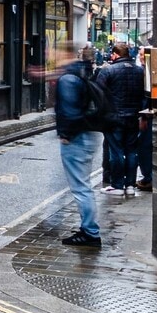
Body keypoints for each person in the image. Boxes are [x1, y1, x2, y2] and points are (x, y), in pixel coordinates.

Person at [55, 41, 104, 248]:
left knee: (81, 188)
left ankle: (90, 232)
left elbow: (70, 112)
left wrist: (66, 134)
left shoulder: (68, 78)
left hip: (78, 138)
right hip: (88, 134)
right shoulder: (82, 72)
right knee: (83, 185)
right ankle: (88, 229)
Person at [97, 44, 147, 198]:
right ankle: (130, 185)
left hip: (114, 117)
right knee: (131, 151)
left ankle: (117, 185)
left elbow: (98, 93)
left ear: (115, 54)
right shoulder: (140, 71)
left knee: (116, 151)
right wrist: (143, 116)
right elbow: (145, 95)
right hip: (133, 117)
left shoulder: (108, 71)